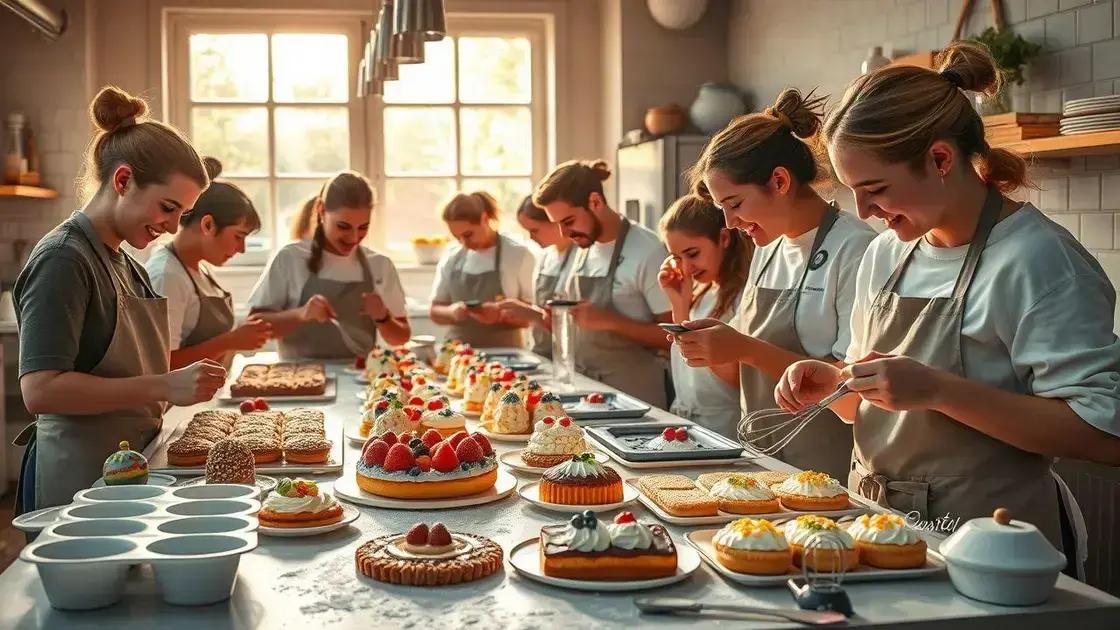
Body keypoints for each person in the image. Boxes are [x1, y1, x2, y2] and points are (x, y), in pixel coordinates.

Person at [775, 42, 1120, 555]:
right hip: (879, 533)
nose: (865, 211)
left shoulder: (1038, 261)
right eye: (852, 193)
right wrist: (837, 386)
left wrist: (940, 390)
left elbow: (1102, 434)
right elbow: (872, 406)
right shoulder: (886, 254)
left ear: (940, 158)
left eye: (876, 188)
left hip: (993, 550)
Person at [13, 86, 226, 512]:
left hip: (124, 473)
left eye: (180, 215)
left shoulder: (127, 266)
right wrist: (166, 384)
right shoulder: (63, 259)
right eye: (166, 207)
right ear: (123, 180)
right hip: (75, 480)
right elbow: (41, 391)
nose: (170, 226)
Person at [673, 89, 875, 481]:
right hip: (760, 464)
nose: (730, 224)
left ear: (779, 181)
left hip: (822, 472)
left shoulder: (856, 247)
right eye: (722, 210)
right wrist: (715, 350)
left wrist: (743, 346)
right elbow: (744, 376)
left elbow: (849, 387)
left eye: (735, 204)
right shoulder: (766, 246)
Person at [533, 160, 673, 408]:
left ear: (595, 202)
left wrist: (610, 321)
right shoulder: (583, 247)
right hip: (587, 393)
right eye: (557, 224)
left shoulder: (647, 250)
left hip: (636, 400)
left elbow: (673, 336)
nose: (564, 234)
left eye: (568, 221)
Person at [248, 171, 410, 358]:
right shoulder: (290, 258)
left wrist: (384, 317)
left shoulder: (380, 265)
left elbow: (401, 337)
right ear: (321, 210)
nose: (354, 238)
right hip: (296, 379)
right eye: (343, 226)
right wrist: (301, 314)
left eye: (363, 227)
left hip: (360, 380)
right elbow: (254, 325)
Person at [146, 157, 272, 369]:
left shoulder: (198, 267)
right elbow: (162, 365)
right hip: (178, 402)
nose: (242, 249)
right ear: (208, 224)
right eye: (239, 236)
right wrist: (231, 340)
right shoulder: (167, 276)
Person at [657, 195, 753, 437]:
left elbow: (741, 380)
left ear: (723, 237)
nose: (686, 268)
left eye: (693, 253)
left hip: (725, 431)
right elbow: (686, 364)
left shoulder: (745, 295)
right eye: (677, 258)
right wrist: (680, 303)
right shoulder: (701, 291)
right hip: (685, 427)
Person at [428, 191, 535, 347]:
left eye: (468, 234)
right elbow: (435, 311)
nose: (464, 242)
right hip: (458, 354)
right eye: (457, 237)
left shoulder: (518, 255)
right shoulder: (452, 256)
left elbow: (532, 317)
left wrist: (500, 316)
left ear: (485, 219)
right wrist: (452, 312)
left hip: (507, 356)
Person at [495, 195, 577, 357]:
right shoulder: (545, 257)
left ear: (555, 222)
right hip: (543, 352)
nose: (531, 237)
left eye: (534, 230)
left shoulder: (580, 258)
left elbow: (579, 324)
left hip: (570, 357)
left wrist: (534, 314)